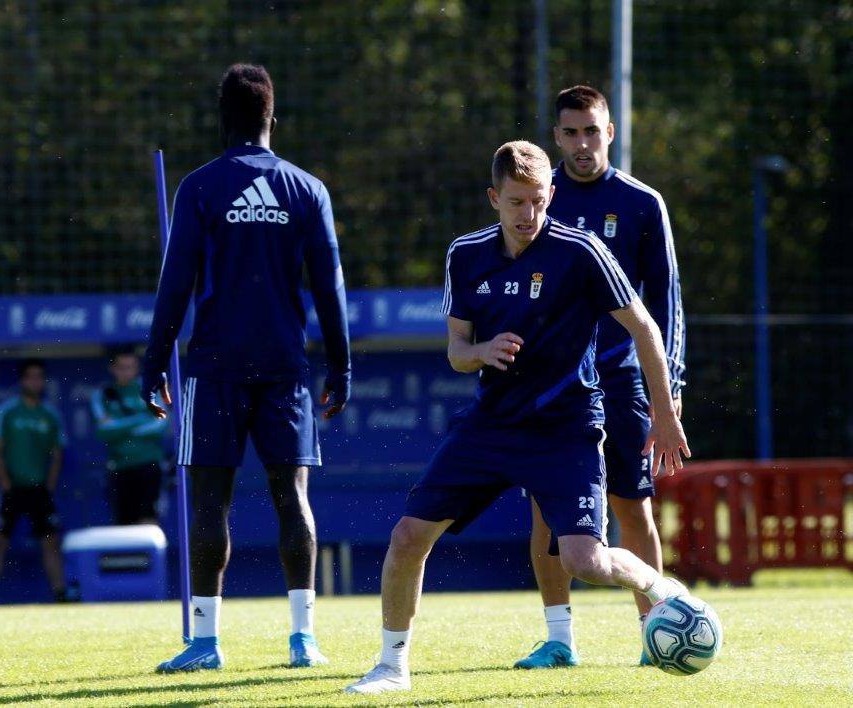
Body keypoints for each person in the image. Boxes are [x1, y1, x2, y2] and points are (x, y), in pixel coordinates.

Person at [344, 141, 690, 695]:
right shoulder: (466, 254)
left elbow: (645, 329)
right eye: (515, 202)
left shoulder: (583, 251)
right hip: (492, 425)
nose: (528, 215)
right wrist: (481, 353)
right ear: (493, 199)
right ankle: (391, 667)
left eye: (537, 201)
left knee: (585, 559)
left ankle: (657, 584)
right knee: (408, 536)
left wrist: (665, 413)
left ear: (551, 194)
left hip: (567, 428)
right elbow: (457, 350)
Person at [142, 63, 351, 671]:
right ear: (271, 120)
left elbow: (174, 285)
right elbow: (330, 287)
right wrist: (340, 365)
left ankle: (205, 644)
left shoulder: (200, 187)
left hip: (214, 367)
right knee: (293, 497)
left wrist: (155, 362)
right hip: (286, 367)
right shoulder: (308, 190)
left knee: (211, 501)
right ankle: (303, 639)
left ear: (221, 121)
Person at [513, 85, 686, 670]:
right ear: (555, 137)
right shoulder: (540, 202)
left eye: (592, 131)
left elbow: (666, 305)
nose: (582, 143)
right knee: (544, 511)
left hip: (621, 379)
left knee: (631, 506)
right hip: (553, 386)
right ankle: (560, 639)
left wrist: (671, 389)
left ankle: (655, 634)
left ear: (610, 131)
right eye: (570, 132)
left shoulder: (642, 204)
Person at [0, 358, 76, 604]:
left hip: (39, 489)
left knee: (50, 541)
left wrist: (50, 484)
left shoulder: (50, 414)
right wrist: (5, 483)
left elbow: (57, 452)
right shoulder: (7, 411)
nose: (35, 382)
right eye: (30, 377)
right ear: (22, 380)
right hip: (11, 489)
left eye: (39, 377)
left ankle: (60, 592)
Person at [91, 346, 170, 525]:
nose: (127, 372)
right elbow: (104, 431)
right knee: (123, 523)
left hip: (149, 465)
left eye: (131, 367)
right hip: (119, 466)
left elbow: (160, 425)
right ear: (112, 368)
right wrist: (142, 418)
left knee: (149, 519)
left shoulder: (152, 388)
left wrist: (122, 428)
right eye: (122, 367)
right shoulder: (102, 394)